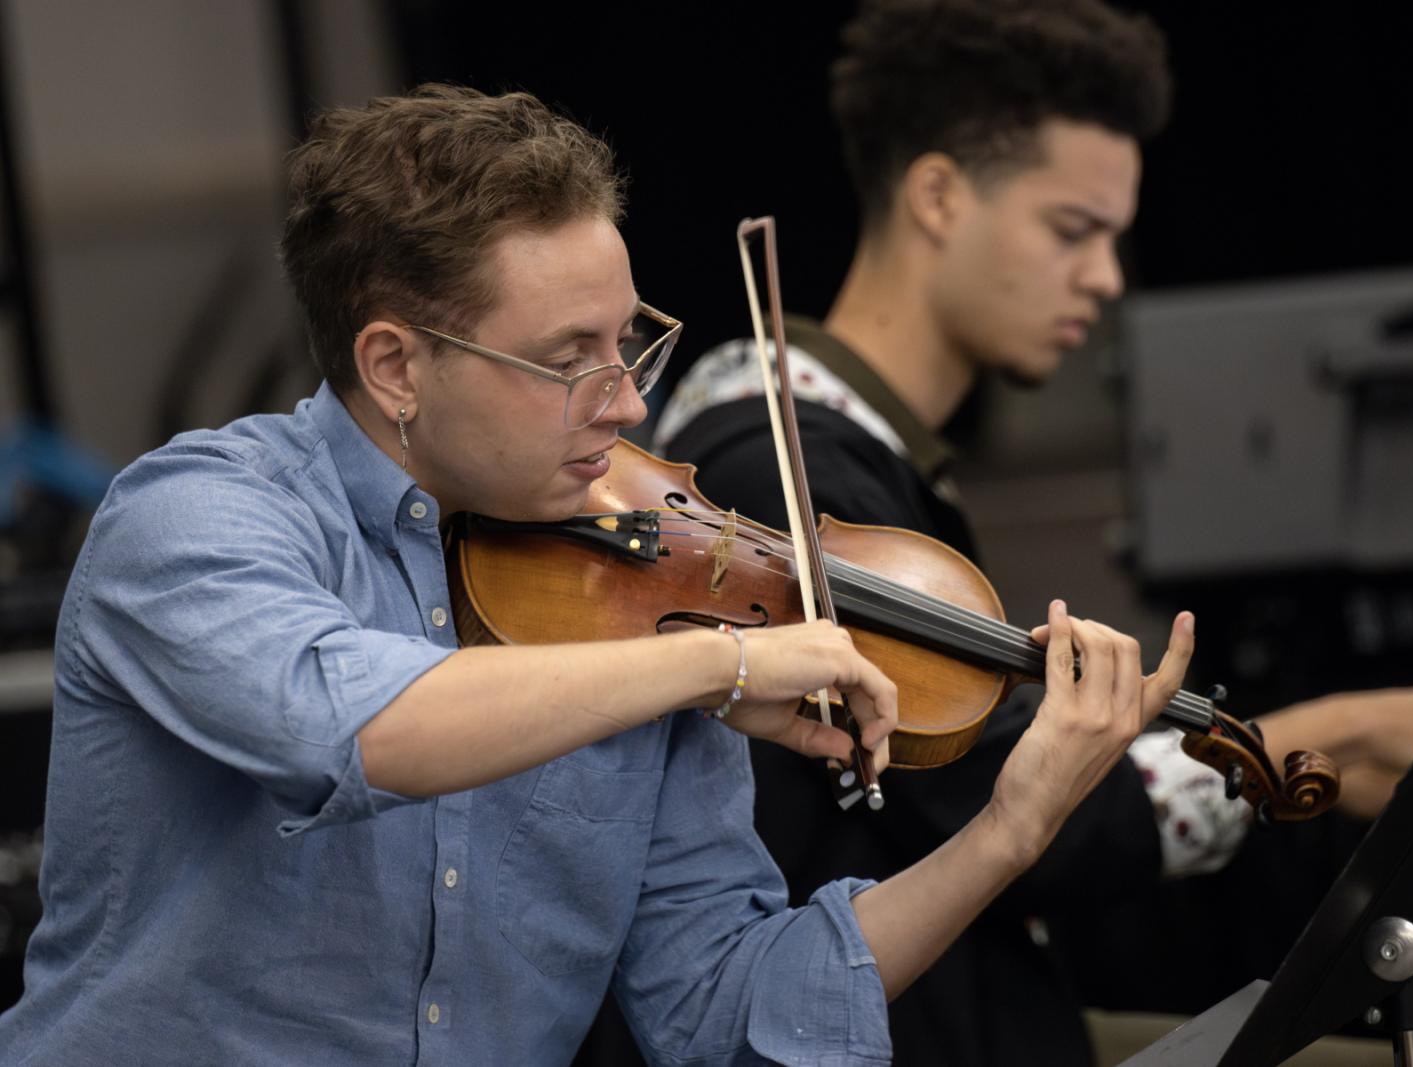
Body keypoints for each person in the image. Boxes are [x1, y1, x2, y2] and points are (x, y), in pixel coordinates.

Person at [0, 85, 1197, 1066]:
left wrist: (1009, 827)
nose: (627, 400)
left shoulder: (646, 592)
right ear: (394, 363)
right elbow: (360, 727)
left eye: (628, 340)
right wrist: (714, 661)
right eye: (568, 358)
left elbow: (725, 1007)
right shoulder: (196, 517)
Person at [651, 1, 1413, 1062]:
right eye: (1072, 230)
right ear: (938, 195)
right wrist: (1312, 738)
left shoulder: (855, 449)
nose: (1103, 277)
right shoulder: (776, 464)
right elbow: (984, 803)